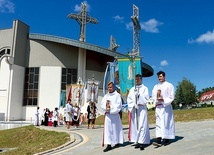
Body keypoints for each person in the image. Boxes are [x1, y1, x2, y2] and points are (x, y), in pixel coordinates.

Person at [127, 74, 150, 150]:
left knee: (142, 125)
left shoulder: (145, 88)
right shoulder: (132, 89)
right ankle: (137, 141)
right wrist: (133, 105)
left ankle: (142, 142)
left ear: (141, 79)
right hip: (135, 110)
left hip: (142, 109)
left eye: (138, 79)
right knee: (136, 126)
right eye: (136, 79)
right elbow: (129, 99)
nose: (137, 81)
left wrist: (139, 96)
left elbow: (146, 98)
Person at [152, 71, 175, 147]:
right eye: (158, 77)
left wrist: (163, 99)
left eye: (161, 76)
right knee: (158, 123)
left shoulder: (169, 85)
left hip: (166, 107)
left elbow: (171, 97)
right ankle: (158, 140)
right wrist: (155, 100)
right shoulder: (155, 87)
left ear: (164, 77)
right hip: (158, 107)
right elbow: (153, 96)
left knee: (165, 123)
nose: (159, 78)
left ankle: (167, 138)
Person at [100, 82, 124, 152]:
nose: (109, 89)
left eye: (110, 87)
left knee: (115, 129)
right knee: (108, 130)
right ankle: (109, 145)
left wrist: (111, 108)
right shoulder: (106, 96)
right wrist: (106, 106)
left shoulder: (117, 95)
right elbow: (102, 104)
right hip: (108, 115)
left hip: (115, 115)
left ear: (113, 87)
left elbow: (119, 105)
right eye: (108, 87)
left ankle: (116, 142)